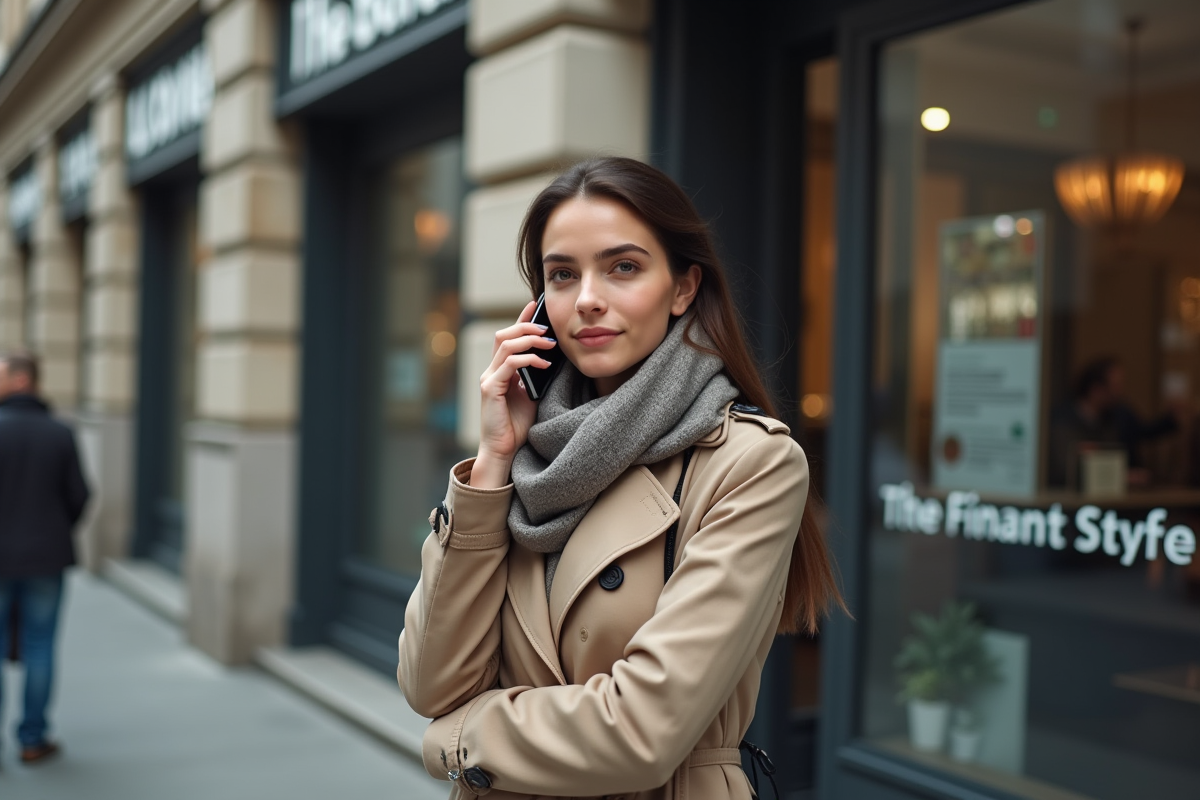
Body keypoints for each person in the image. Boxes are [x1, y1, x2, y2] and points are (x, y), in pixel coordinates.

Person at [398, 157, 846, 799]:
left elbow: (641, 733)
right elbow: (429, 682)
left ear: (684, 288)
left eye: (623, 267)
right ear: (539, 304)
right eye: (562, 275)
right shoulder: (526, 461)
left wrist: (460, 737)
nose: (587, 299)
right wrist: (493, 460)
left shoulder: (749, 463)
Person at [0, 351, 90, 765]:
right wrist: (53, 530)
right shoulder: (60, 432)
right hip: (46, 558)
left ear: (21, 380)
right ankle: (32, 739)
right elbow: (80, 496)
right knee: (41, 646)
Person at [1049, 357, 1182, 488]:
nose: (1120, 392)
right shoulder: (1063, 421)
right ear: (1096, 390)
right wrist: (1121, 476)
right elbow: (1066, 470)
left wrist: (1171, 419)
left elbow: (1143, 430)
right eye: (1116, 386)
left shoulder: (1116, 416)